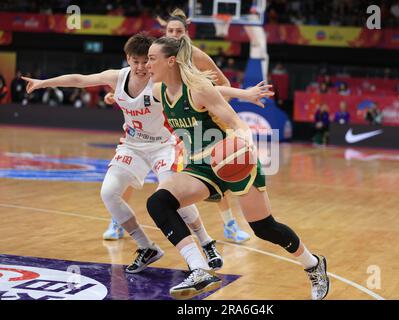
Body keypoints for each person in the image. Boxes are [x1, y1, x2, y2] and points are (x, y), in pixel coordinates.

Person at [22, 32, 272, 274]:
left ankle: (206, 243)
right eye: (136, 61)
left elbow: (206, 90)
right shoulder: (117, 77)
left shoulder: (160, 82)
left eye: (146, 61)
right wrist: (43, 83)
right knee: (108, 193)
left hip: (165, 145)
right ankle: (146, 247)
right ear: (128, 59)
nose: (142, 66)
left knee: (173, 199)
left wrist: (244, 94)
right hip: (132, 145)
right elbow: (80, 79)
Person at [144, 35, 329, 300]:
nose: (147, 64)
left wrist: (243, 143)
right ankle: (199, 268)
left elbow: (237, 123)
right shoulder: (157, 93)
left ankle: (313, 264)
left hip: (231, 161)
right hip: (200, 167)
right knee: (158, 202)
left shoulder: (197, 89)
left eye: (152, 59)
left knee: (265, 228)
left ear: (170, 61)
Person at [146, 8, 253, 244]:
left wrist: (213, 107)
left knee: (217, 170)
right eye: (170, 30)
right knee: (161, 174)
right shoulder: (159, 60)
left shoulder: (197, 56)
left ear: (186, 33)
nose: (174, 34)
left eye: (178, 31)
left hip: (201, 119)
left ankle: (229, 226)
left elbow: (221, 84)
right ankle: (121, 219)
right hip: (173, 121)